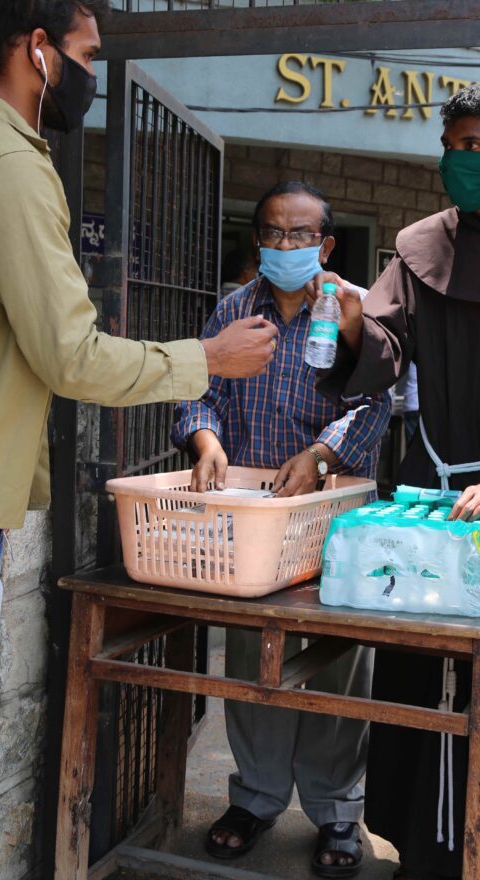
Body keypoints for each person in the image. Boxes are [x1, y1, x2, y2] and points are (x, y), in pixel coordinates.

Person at [0, 0, 278, 701]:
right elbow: (71, 355)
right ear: (37, 49)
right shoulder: (9, 166)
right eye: (86, 56)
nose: (91, 77)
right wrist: (209, 358)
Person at [311, 84, 480, 880]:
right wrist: (354, 325)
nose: (453, 161)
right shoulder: (419, 245)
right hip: (431, 497)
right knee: (418, 673)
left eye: (471, 148)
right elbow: (385, 346)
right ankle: (416, 851)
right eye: (448, 145)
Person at [171, 180, 391, 878]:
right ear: (258, 239)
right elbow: (200, 389)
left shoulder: (353, 309)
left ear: (325, 246)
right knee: (251, 657)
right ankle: (256, 798)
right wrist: (206, 441)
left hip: (331, 510)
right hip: (251, 515)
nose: (285, 244)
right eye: (272, 232)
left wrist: (321, 455)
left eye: (300, 235)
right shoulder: (234, 309)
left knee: (336, 661)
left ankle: (336, 810)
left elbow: (375, 403)